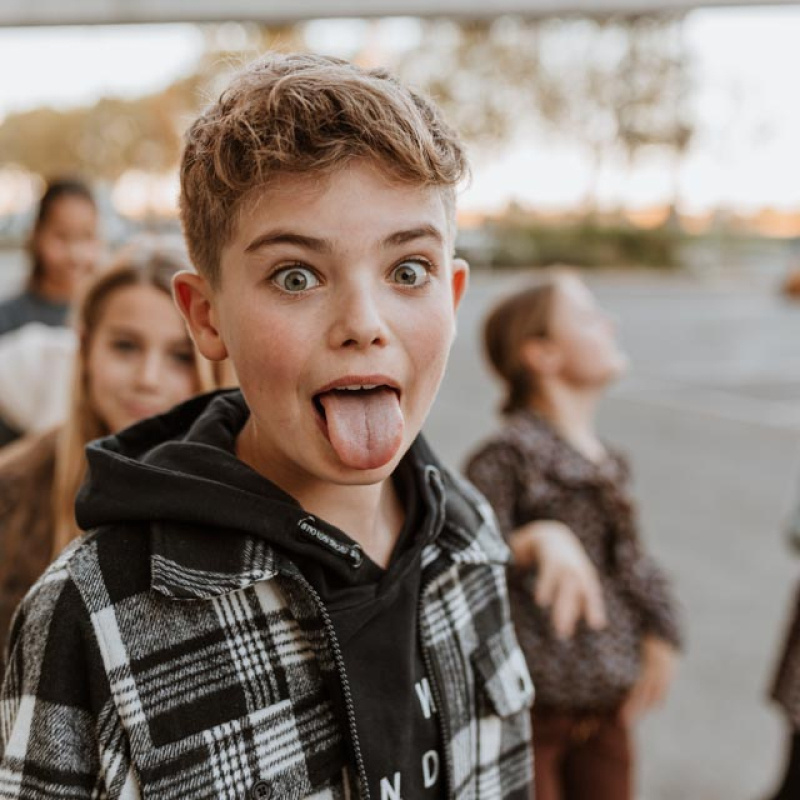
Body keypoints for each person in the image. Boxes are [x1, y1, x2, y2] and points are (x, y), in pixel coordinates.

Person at [0, 53, 534, 800]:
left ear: (453, 294)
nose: (363, 324)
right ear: (206, 315)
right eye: (296, 276)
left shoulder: (470, 541)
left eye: (407, 270)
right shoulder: (92, 613)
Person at [465, 271, 683, 800]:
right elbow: (462, 556)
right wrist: (535, 536)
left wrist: (663, 630)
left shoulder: (607, 460)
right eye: (588, 317)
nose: (609, 323)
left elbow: (631, 561)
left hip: (605, 711)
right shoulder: (509, 456)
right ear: (541, 354)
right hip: (531, 717)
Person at [0, 245, 217, 649]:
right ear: (85, 350)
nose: (148, 378)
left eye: (181, 356)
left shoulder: (241, 499)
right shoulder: (11, 491)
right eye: (125, 346)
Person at [0, 178, 101, 337]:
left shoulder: (106, 317)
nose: (74, 254)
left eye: (86, 236)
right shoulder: (7, 319)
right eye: (62, 237)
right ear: (37, 235)